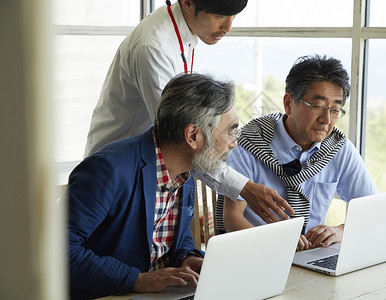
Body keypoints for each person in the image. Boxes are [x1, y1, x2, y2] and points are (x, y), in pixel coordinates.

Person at [84, 0, 294, 225]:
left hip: (150, 170)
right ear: (186, 3)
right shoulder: (153, 46)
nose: (228, 27)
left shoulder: (184, 32)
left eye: (233, 16)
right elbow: (183, 138)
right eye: (219, 16)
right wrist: (245, 188)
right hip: (117, 174)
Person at [65, 73, 241, 299]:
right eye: (231, 131)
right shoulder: (108, 170)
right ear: (193, 135)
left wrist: (186, 257)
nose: (234, 143)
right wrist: (137, 279)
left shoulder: (185, 171)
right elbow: (59, 251)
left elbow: (173, 238)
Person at [219, 55, 378, 251]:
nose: (326, 119)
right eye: (318, 107)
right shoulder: (250, 142)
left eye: (335, 110)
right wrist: (275, 243)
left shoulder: (338, 148)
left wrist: (340, 231)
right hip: (254, 252)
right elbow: (232, 218)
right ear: (288, 103)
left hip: (308, 256)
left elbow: (372, 210)